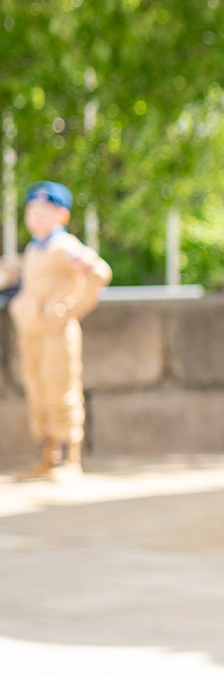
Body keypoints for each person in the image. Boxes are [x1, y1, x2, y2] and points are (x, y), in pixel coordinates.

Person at [7, 181, 111, 480]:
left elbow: (99, 272)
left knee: (60, 391)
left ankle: (68, 456)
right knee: (38, 392)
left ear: (61, 216)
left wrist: (72, 308)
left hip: (56, 332)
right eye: (32, 210)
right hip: (34, 334)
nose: (37, 216)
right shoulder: (34, 248)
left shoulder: (63, 246)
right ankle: (47, 454)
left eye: (45, 211)